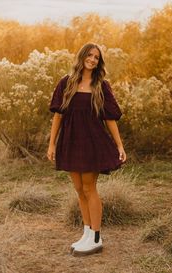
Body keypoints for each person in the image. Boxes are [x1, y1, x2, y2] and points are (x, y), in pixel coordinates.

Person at [47, 42, 127, 256]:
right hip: (71, 141)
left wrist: (119, 144)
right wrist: (52, 143)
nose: (92, 59)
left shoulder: (102, 85)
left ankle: (96, 238)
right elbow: (58, 116)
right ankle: (86, 232)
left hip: (92, 142)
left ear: (99, 62)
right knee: (79, 189)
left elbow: (110, 118)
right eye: (89, 55)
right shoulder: (66, 83)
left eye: (96, 57)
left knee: (89, 188)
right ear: (82, 56)